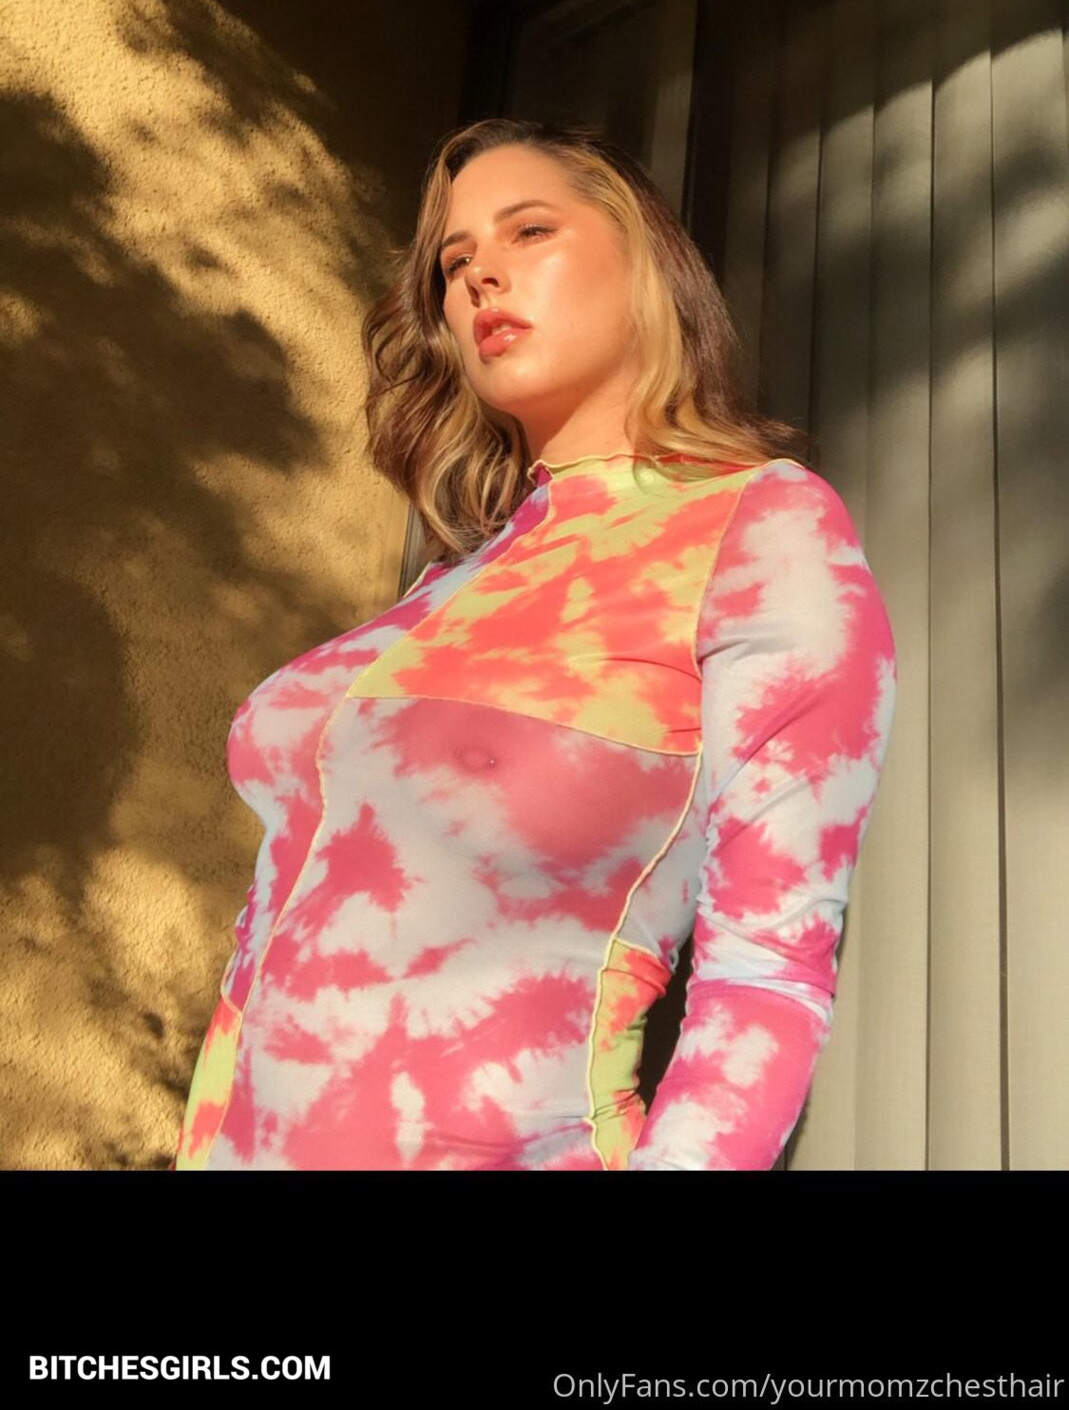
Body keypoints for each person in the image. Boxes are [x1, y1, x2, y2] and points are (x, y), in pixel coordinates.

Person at [171, 117, 897, 1172]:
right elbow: (256, 966)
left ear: (643, 261)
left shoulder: (761, 528)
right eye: (453, 262)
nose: (479, 277)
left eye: (529, 232)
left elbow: (768, 974)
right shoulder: (446, 583)